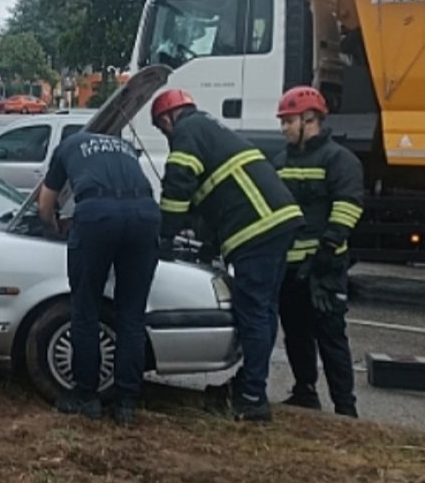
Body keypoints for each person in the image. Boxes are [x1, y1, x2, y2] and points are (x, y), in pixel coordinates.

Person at [151, 89, 303, 422]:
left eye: (163, 131)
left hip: (257, 229)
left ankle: (252, 398)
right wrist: (205, 241)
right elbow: (211, 194)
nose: (167, 136)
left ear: (166, 119)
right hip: (276, 224)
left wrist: (164, 235)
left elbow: (178, 185)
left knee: (254, 312)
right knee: (264, 310)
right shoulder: (210, 129)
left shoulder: (187, 132)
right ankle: (250, 384)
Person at [38, 132, 160, 426]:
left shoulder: (66, 148)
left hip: (97, 215)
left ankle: (86, 397)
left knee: (86, 311)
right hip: (145, 214)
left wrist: (54, 227)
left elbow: (44, 204)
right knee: (132, 315)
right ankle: (126, 404)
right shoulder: (125, 147)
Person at [273, 86, 362, 418]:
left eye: (288, 122)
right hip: (291, 267)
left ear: (310, 119)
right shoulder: (281, 161)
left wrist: (327, 249)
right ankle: (304, 392)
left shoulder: (339, 159)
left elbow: (349, 206)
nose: (283, 129)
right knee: (295, 334)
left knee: (331, 338)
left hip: (324, 268)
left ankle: (345, 408)